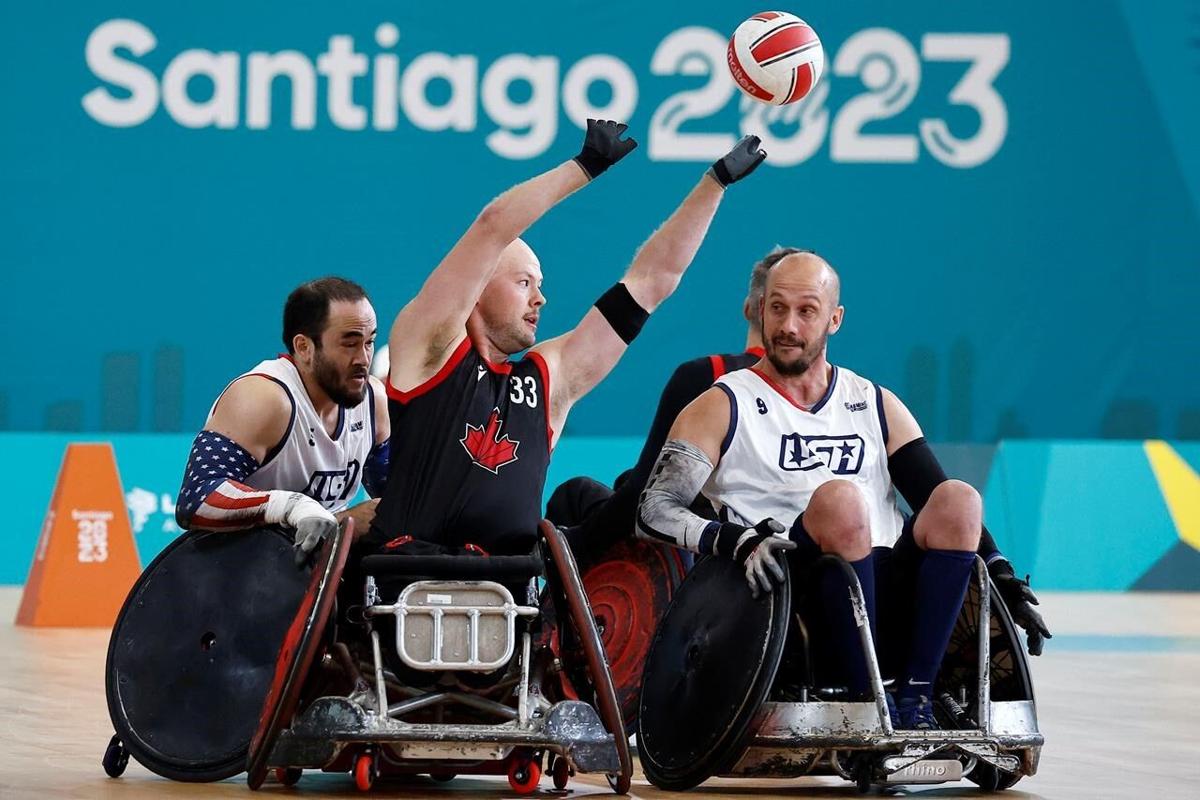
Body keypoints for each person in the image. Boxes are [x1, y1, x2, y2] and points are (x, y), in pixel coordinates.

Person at [636, 250, 1050, 730]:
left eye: (806, 311)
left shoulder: (873, 402)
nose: (788, 325)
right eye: (777, 308)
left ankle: (916, 698)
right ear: (759, 309)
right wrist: (733, 540)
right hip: (789, 595)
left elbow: (942, 504)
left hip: (888, 592)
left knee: (961, 497)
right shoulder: (722, 403)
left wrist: (1002, 576)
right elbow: (653, 509)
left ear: (834, 320)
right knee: (841, 501)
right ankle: (864, 704)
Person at [361, 121, 767, 560]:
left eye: (539, 284)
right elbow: (492, 227)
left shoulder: (549, 378)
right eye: (523, 282)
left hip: (514, 599)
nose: (540, 298)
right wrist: (584, 167)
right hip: (404, 585)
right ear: (477, 288)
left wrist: (715, 184)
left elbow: (651, 282)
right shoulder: (429, 346)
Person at [175, 277, 390, 562]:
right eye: (349, 344)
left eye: (370, 342)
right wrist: (294, 507)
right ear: (304, 347)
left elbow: (399, 495)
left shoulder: (373, 398)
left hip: (314, 577)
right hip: (234, 581)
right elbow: (198, 498)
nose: (363, 358)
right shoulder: (264, 398)